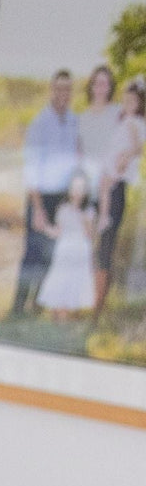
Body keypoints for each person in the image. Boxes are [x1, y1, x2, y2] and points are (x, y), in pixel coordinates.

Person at [13, 69, 81, 316]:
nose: (63, 93)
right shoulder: (40, 123)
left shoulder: (73, 121)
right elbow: (31, 169)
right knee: (32, 252)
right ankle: (18, 306)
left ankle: (37, 305)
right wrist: (38, 208)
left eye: (68, 89)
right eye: (59, 88)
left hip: (62, 199)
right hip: (40, 197)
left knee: (51, 254)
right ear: (52, 90)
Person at [95, 78, 146, 313]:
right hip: (112, 168)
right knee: (104, 186)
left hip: (118, 173)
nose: (127, 104)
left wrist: (125, 158)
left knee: (106, 242)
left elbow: (137, 148)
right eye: (125, 100)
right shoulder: (123, 119)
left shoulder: (134, 122)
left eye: (132, 101)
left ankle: (99, 303)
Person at [37, 170, 97, 318]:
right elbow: (58, 231)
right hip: (64, 248)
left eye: (81, 188)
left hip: (80, 249)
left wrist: (83, 218)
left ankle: (68, 313)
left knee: (74, 279)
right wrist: (45, 227)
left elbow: (90, 235)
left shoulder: (89, 211)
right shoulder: (62, 208)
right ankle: (56, 312)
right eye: (74, 188)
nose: (77, 192)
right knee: (60, 277)